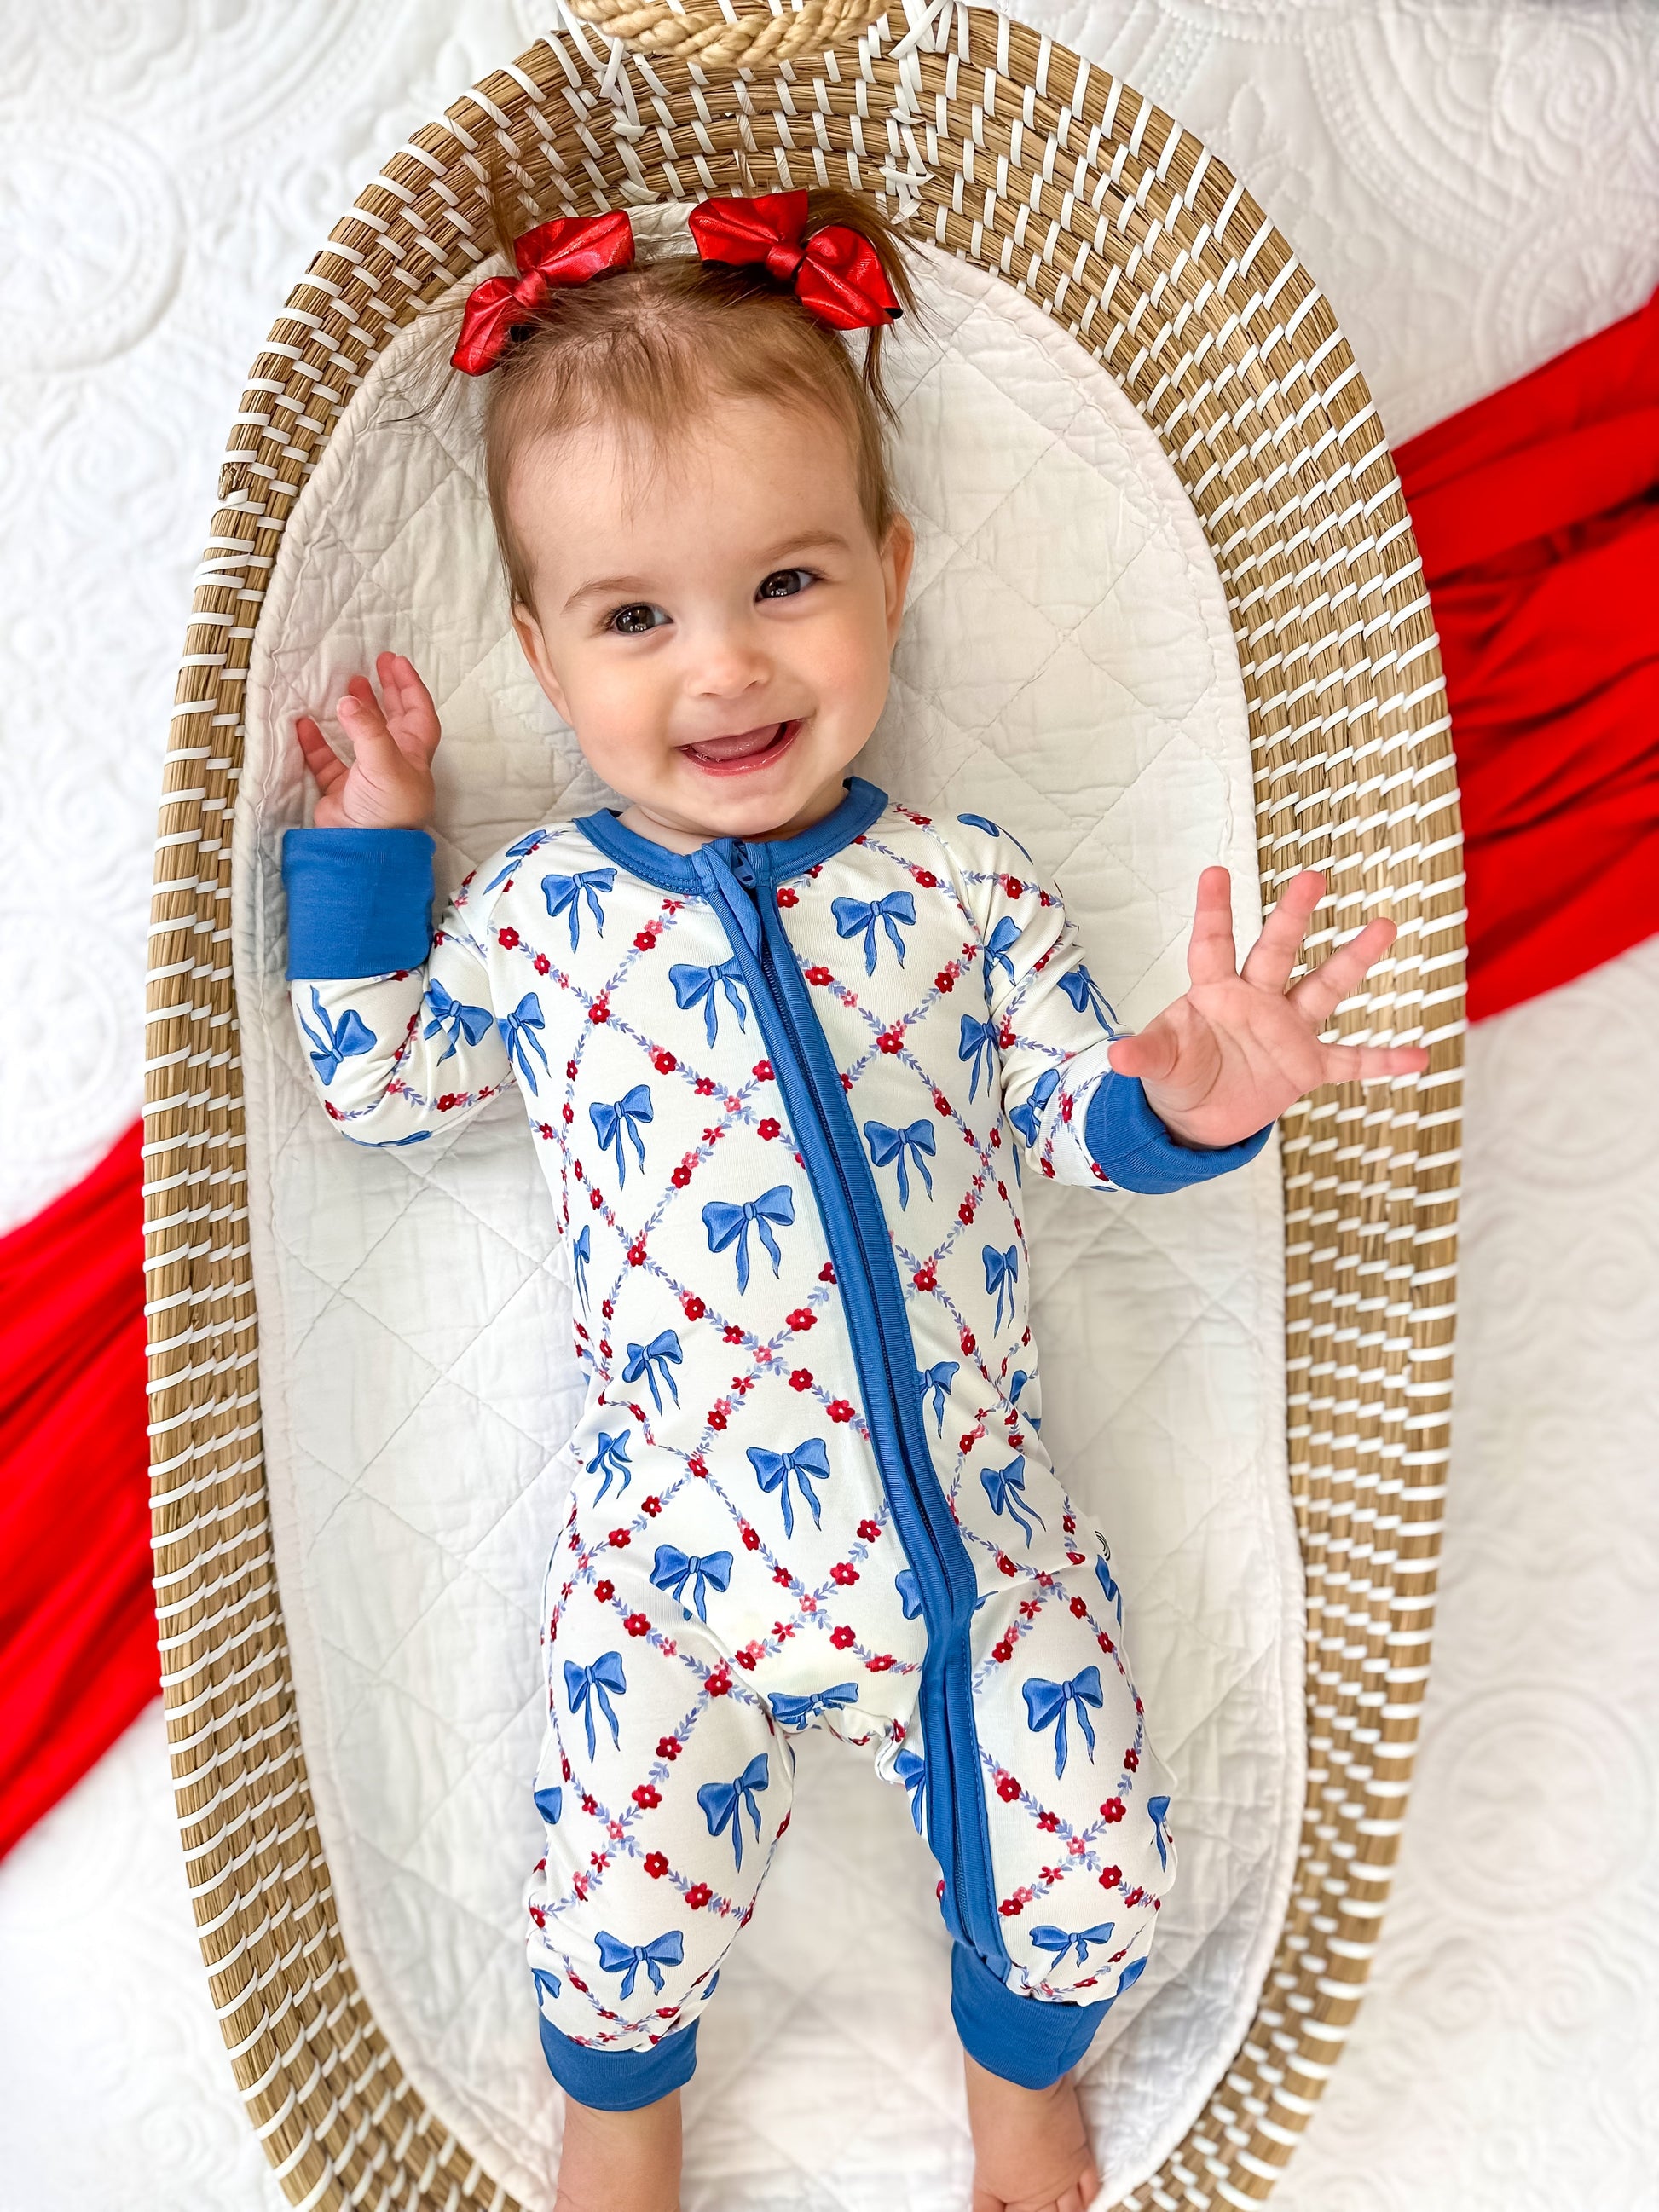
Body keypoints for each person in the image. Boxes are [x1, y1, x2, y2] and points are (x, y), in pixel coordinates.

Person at [281, 187, 1426, 2212]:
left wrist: (1190, 1092)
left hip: (971, 1543)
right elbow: (379, 1086)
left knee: (1088, 1868)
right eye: (634, 619)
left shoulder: (960, 886)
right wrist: (375, 846)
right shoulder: (542, 912)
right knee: (612, 1900)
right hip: (672, 1559)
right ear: (540, 654)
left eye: (787, 581)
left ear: (889, 576)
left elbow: (1071, 1108)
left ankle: (1019, 2082)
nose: (724, 665)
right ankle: (616, 2121)